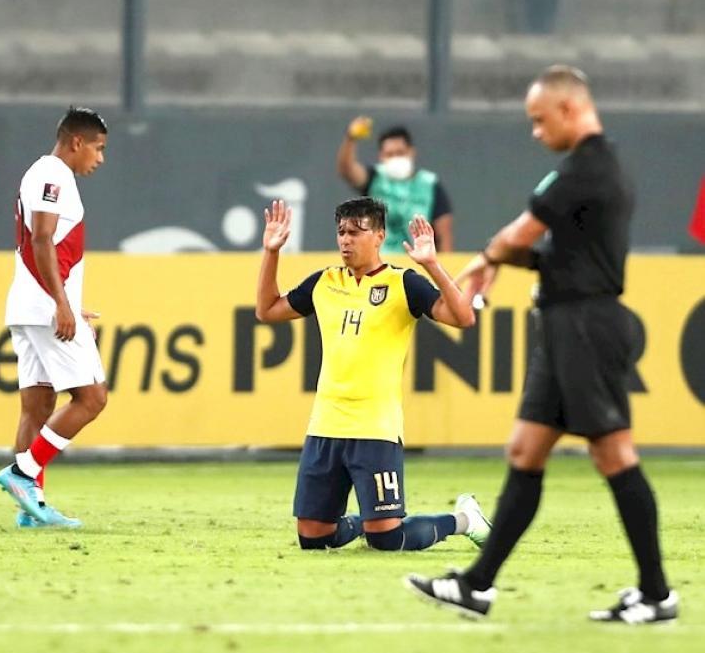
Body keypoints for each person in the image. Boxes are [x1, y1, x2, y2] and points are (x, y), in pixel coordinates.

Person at [406, 65, 678, 623]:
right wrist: (503, 261)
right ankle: (477, 586)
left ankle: (656, 594)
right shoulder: (594, 170)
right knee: (525, 452)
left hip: (586, 325)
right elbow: (555, 254)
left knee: (614, 454)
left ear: (569, 109)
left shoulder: (586, 167)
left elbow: (518, 234)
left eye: (538, 120)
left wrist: (485, 260)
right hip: (563, 324)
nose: (534, 131)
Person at [256, 196, 490, 552]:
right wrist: (271, 252)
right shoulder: (325, 282)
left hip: (375, 428)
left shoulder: (404, 284)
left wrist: (431, 264)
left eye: (356, 231)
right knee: (313, 538)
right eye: (341, 232)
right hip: (325, 425)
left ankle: (464, 520)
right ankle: (361, 524)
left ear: (380, 235)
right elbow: (268, 310)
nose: (346, 240)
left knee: (388, 539)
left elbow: (462, 317)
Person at [0, 107, 109, 529]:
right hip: (44, 307)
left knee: (37, 406)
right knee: (92, 398)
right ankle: (24, 474)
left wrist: (68, 300)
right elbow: (41, 238)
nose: (99, 158)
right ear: (76, 142)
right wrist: (61, 305)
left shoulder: (46, 175)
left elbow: (45, 245)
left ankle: (31, 510)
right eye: (97, 148)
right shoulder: (53, 174)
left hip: (31, 303)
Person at [337, 119, 454, 254]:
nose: (395, 158)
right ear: (381, 156)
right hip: (379, 263)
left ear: (411, 152)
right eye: (389, 154)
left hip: (418, 264)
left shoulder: (430, 185)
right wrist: (351, 138)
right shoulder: (374, 178)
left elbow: (444, 235)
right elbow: (347, 170)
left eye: (400, 152)